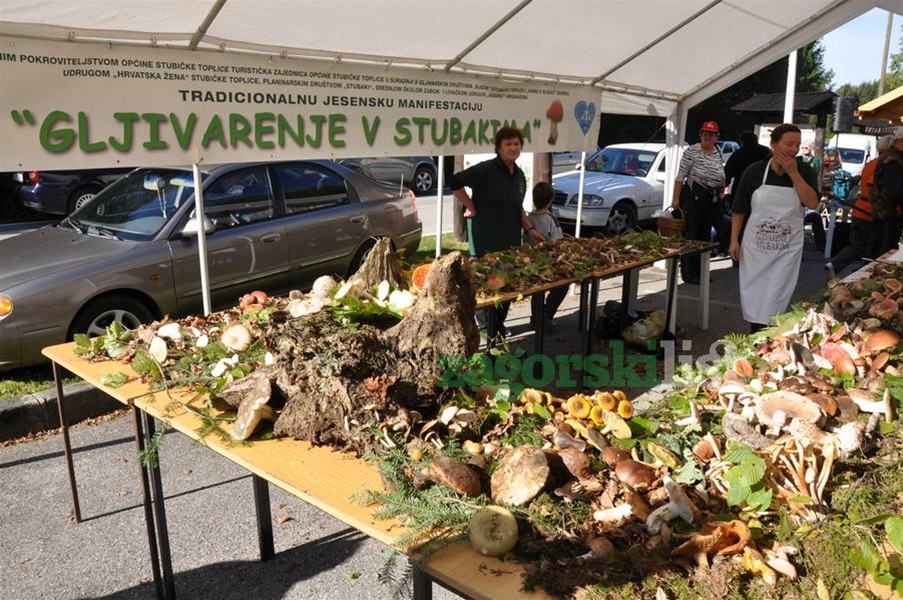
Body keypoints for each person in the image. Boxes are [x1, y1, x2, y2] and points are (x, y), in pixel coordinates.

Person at [449, 126, 545, 342]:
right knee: (488, 288)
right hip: (487, 241)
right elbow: (454, 182)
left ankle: (497, 326)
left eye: (516, 144)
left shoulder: (519, 175)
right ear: (499, 148)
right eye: (508, 144)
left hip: (511, 242)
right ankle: (486, 330)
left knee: (507, 286)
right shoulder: (486, 170)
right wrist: (471, 206)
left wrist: (530, 229)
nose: (513, 148)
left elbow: (516, 207)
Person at [729, 124, 820, 333]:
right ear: (773, 144)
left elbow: (812, 203)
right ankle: (757, 338)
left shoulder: (805, 171)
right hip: (756, 248)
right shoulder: (755, 171)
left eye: (797, 145)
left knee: (775, 297)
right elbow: (739, 208)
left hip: (787, 249)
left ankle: (766, 339)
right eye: (788, 144)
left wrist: (794, 174)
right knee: (754, 296)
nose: (793, 149)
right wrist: (734, 240)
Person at [829, 135, 894, 275]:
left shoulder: (871, 164)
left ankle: (836, 266)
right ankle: (858, 274)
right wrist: (877, 209)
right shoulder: (883, 165)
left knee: (859, 247)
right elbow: (871, 185)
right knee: (870, 249)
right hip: (869, 214)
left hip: (861, 211)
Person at [672, 120, 726, 284]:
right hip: (694, 198)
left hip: (712, 199)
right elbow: (680, 176)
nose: (707, 137)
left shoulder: (717, 151)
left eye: (711, 134)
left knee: (704, 237)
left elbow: (721, 174)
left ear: (717, 137)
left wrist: (723, 189)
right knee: (692, 236)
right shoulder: (692, 151)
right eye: (704, 134)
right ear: (700, 135)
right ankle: (689, 273)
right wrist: (676, 198)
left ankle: (700, 272)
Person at [525, 182, 567, 331]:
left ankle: (536, 318)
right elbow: (558, 243)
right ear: (551, 200)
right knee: (562, 286)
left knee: (538, 291)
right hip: (550, 262)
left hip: (531, 261)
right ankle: (546, 315)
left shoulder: (528, 218)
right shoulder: (551, 219)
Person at [722, 131, 771, 259]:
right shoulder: (766, 152)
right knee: (762, 224)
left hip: (741, 191)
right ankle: (758, 253)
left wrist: (724, 189)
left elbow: (727, 173)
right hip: (764, 192)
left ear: (742, 141)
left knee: (740, 224)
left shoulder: (738, 154)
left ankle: (738, 254)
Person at [870, 126, 903, 256]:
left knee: (886, 250)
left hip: (890, 213)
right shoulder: (891, 160)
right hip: (886, 213)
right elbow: (895, 190)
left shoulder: (895, 158)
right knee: (883, 252)